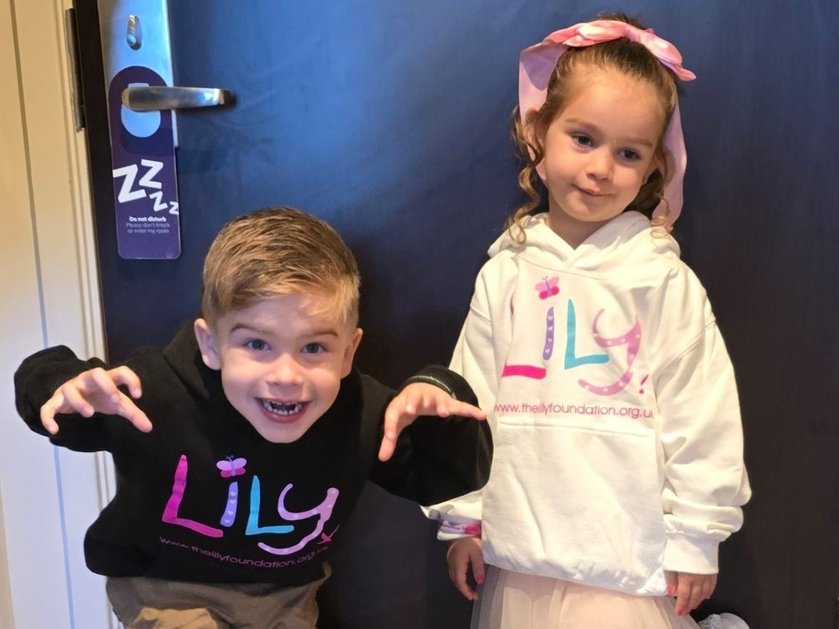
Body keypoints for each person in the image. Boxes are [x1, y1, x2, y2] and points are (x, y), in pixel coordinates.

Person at [14, 207, 492, 629]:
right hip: (169, 587)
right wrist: (62, 384)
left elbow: (445, 478)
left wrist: (442, 402)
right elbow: (58, 409)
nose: (286, 376)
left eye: (314, 348)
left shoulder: (363, 412)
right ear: (210, 344)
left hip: (284, 596)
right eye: (257, 344)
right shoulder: (154, 390)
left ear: (348, 353)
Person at [426, 14, 751, 629]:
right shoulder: (505, 274)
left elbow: (702, 413)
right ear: (539, 136)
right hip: (522, 555)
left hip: (629, 559)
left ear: (655, 165)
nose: (602, 168)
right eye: (583, 138)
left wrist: (698, 535)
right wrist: (464, 516)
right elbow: (468, 399)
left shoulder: (660, 280)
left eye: (628, 152)